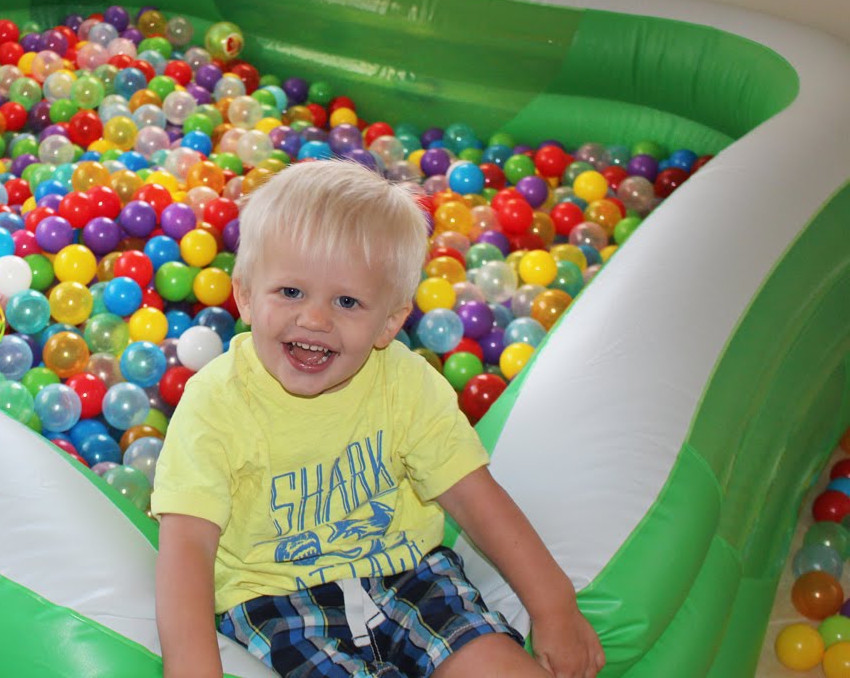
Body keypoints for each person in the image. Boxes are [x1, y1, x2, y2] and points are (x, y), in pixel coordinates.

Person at [151, 159, 605, 678]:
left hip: (412, 576)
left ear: (390, 322)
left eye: (347, 301)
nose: (315, 319)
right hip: (277, 601)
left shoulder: (404, 384)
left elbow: (474, 497)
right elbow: (187, 544)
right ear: (247, 295)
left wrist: (554, 607)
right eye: (291, 292)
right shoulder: (216, 404)